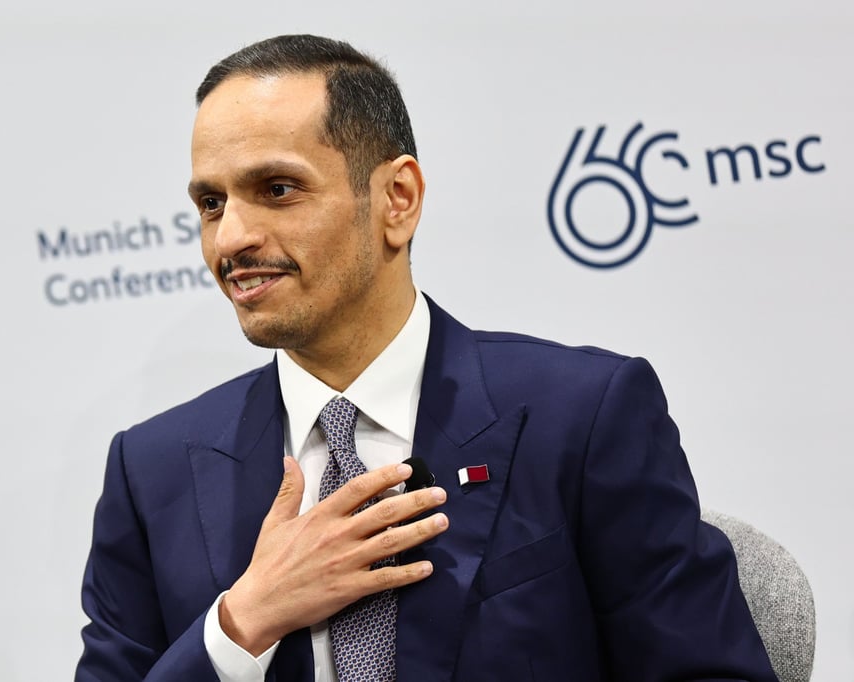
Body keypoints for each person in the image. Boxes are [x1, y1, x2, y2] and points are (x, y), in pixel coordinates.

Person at [75, 34, 777, 682]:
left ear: (397, 199)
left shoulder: (584, 416)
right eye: (210, 202)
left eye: (277, 190)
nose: (231, 237)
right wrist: (240, 626)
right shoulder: (151, 471)